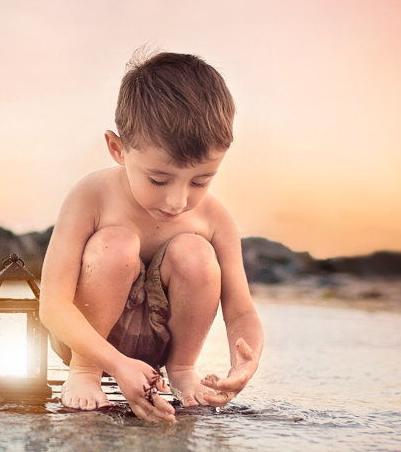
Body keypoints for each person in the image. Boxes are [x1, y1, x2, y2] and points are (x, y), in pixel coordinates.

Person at [39, 50, 264, 423]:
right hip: (86, 343)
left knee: (196, 251)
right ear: (118, 149)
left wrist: (248, 360)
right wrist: (113, 364)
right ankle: (84, 374)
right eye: (158, 179)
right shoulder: (91, 197)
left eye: (201, 181)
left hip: (161, 345)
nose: (177, 201)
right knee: (116, 244)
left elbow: (240, 310)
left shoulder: (214, 218)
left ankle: (181, 370)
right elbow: (53, 306)